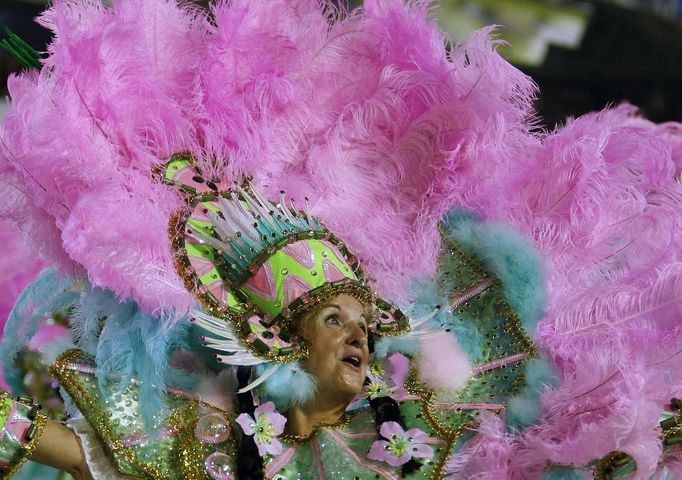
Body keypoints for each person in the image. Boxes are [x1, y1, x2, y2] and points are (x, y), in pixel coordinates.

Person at [0, 0, 680, 479]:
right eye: (334, 318)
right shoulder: (215, 436)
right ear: (278, 341)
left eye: (363, 322)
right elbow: (102, 457)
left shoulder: (411, 440)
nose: (361, 337)